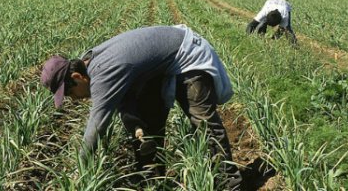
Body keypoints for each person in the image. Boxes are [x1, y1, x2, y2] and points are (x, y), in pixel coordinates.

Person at [40, 24, 242, 190]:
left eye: (69, 93)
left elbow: (96, 127)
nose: (74, 100)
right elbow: (124, 98)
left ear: (77, 77)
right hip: (161, 62)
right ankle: (152, 181)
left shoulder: (102, 73)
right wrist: (136, 125)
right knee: (148, 119)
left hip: (188, 52)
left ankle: (229, 182)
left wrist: (79, 171)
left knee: (203, 121)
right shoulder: (90, 62)